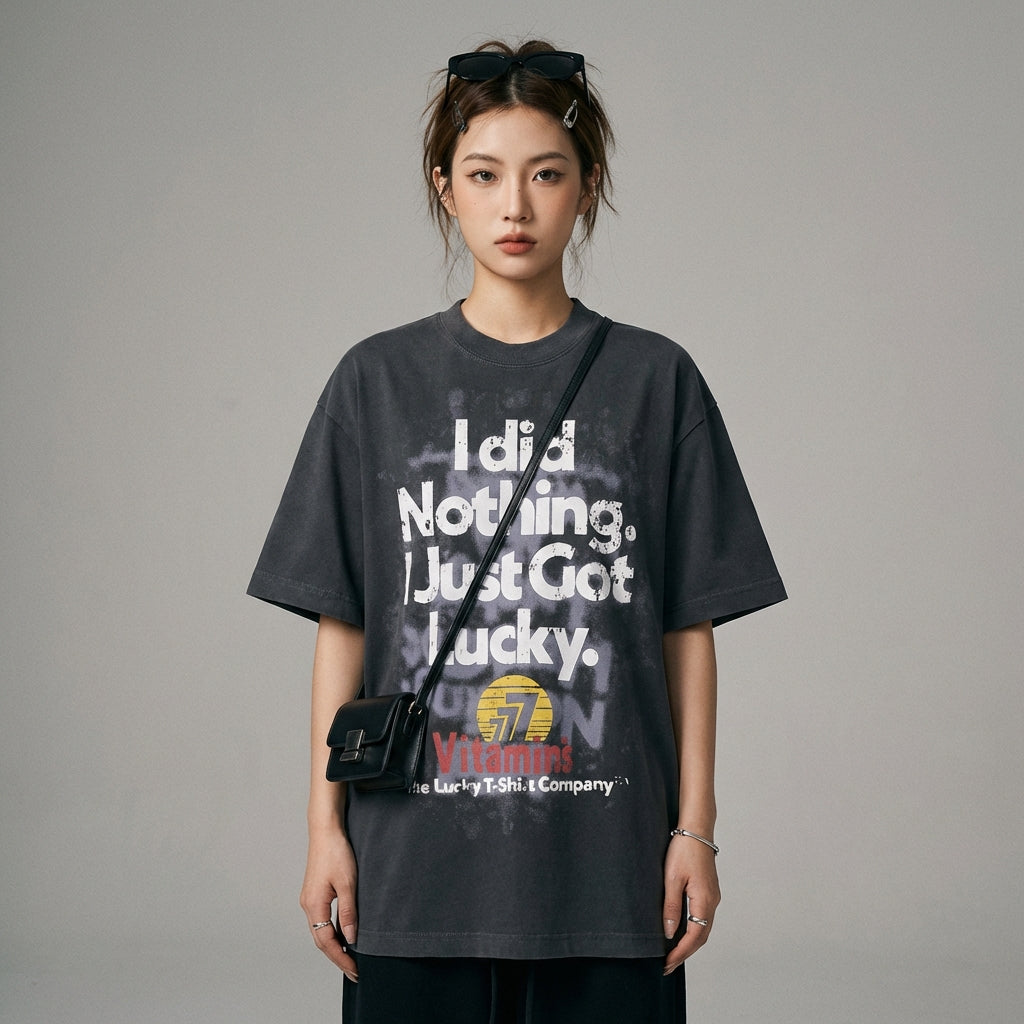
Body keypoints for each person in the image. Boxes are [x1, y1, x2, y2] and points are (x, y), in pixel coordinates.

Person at [247, 39, 786, 1024]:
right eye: (484, 175)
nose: (515, 208)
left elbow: (687, 629)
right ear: (443, 187)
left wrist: (695, 831)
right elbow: (342, 622)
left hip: (609, 868)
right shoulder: (375, 381)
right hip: (411, 867)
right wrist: (324, 829)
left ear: (588, 187)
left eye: (546, 174)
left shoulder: (655, 380)